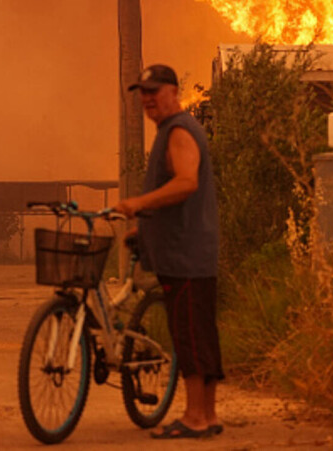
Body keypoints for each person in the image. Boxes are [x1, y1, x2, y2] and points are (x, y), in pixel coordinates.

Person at [114, 64, 224, 440]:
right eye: (143, 92)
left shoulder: (178, 130)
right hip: (190, 249)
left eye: (154, 91)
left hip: (185, 254)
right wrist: (143, 228)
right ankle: (207, 416)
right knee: (200, 334)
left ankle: (194, 417)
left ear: (174, 92)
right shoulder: (174, 129)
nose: (147, 99)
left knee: (189, 337)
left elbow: (186, 183)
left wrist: (138, 202)